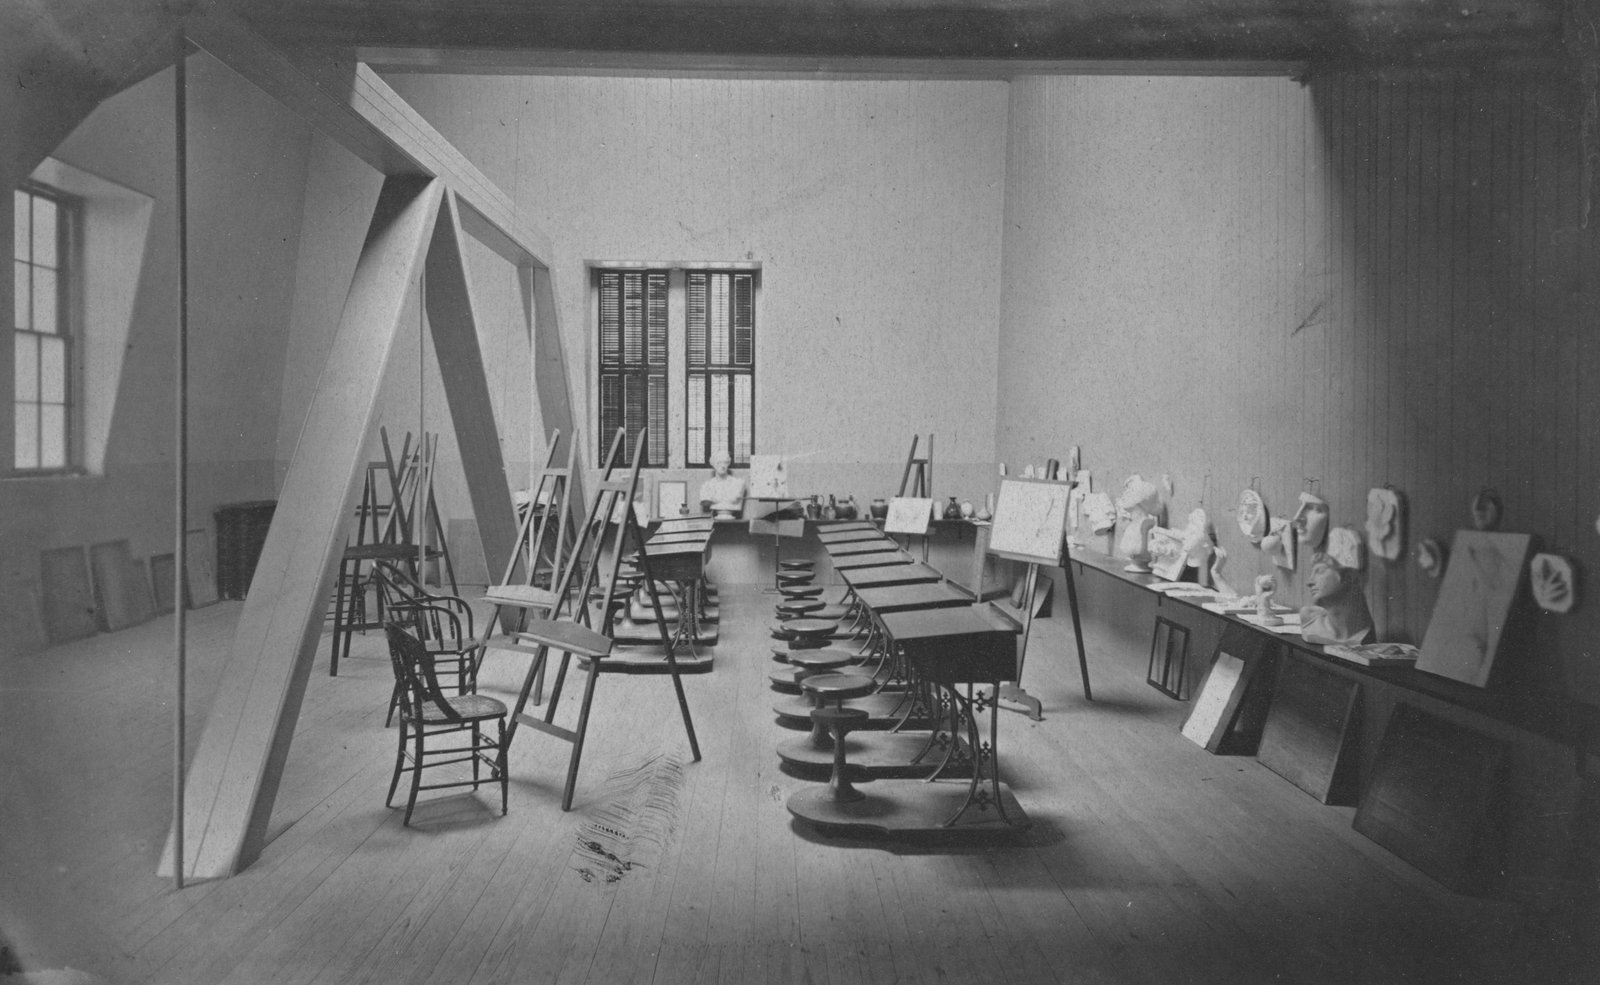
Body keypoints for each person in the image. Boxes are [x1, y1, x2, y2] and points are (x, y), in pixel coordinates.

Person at [1299, 552, 1374, 646]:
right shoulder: (1313, 629)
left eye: (1320, 571)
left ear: (1349, 576)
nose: (1309, 582)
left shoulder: (1365, 633)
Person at [698, 451, 747, 518]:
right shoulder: (706, 486)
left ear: (728, 464)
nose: (722, 466)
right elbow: (705, 500)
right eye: (719, 463)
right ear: (713, 464)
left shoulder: (738, 483)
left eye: (725, 462)